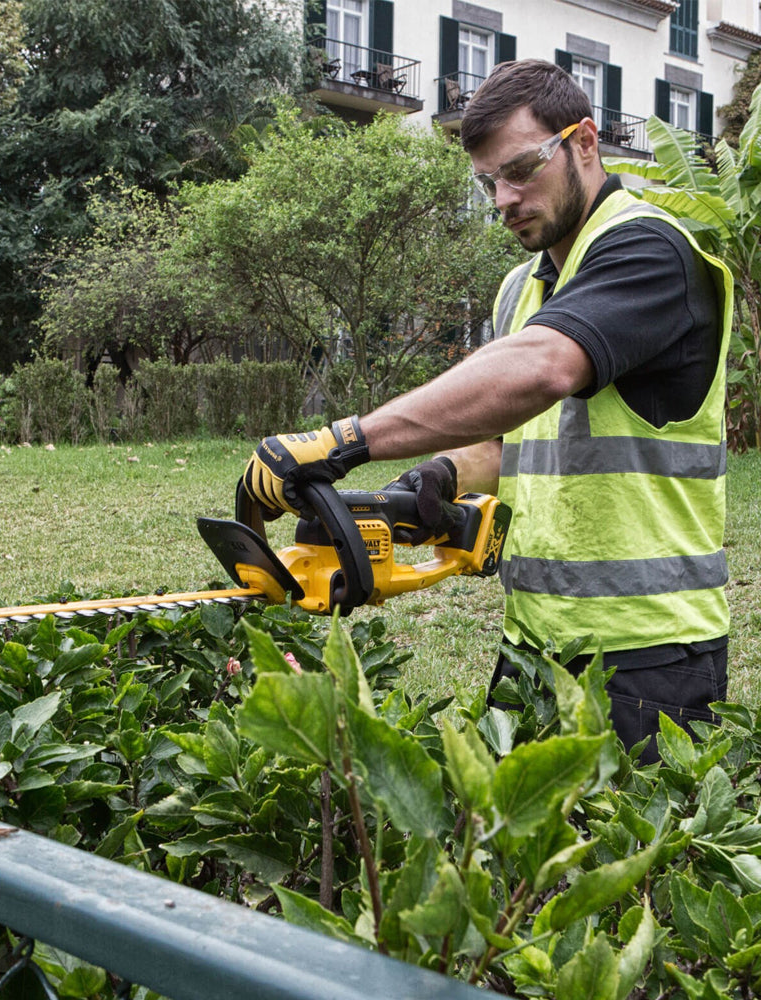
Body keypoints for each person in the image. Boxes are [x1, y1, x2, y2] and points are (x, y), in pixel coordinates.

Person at [241, 59, 733, 762]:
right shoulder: (520, 289)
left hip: (650, 653)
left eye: (522, 169)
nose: (504, 197)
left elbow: (544, 369)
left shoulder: (651, 251)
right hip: (532, 640)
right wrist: (445, 471)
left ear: (585, 143)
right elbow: (526, 439)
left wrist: (345, 440)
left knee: (629, 869)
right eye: (488, 182)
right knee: (511, 863)